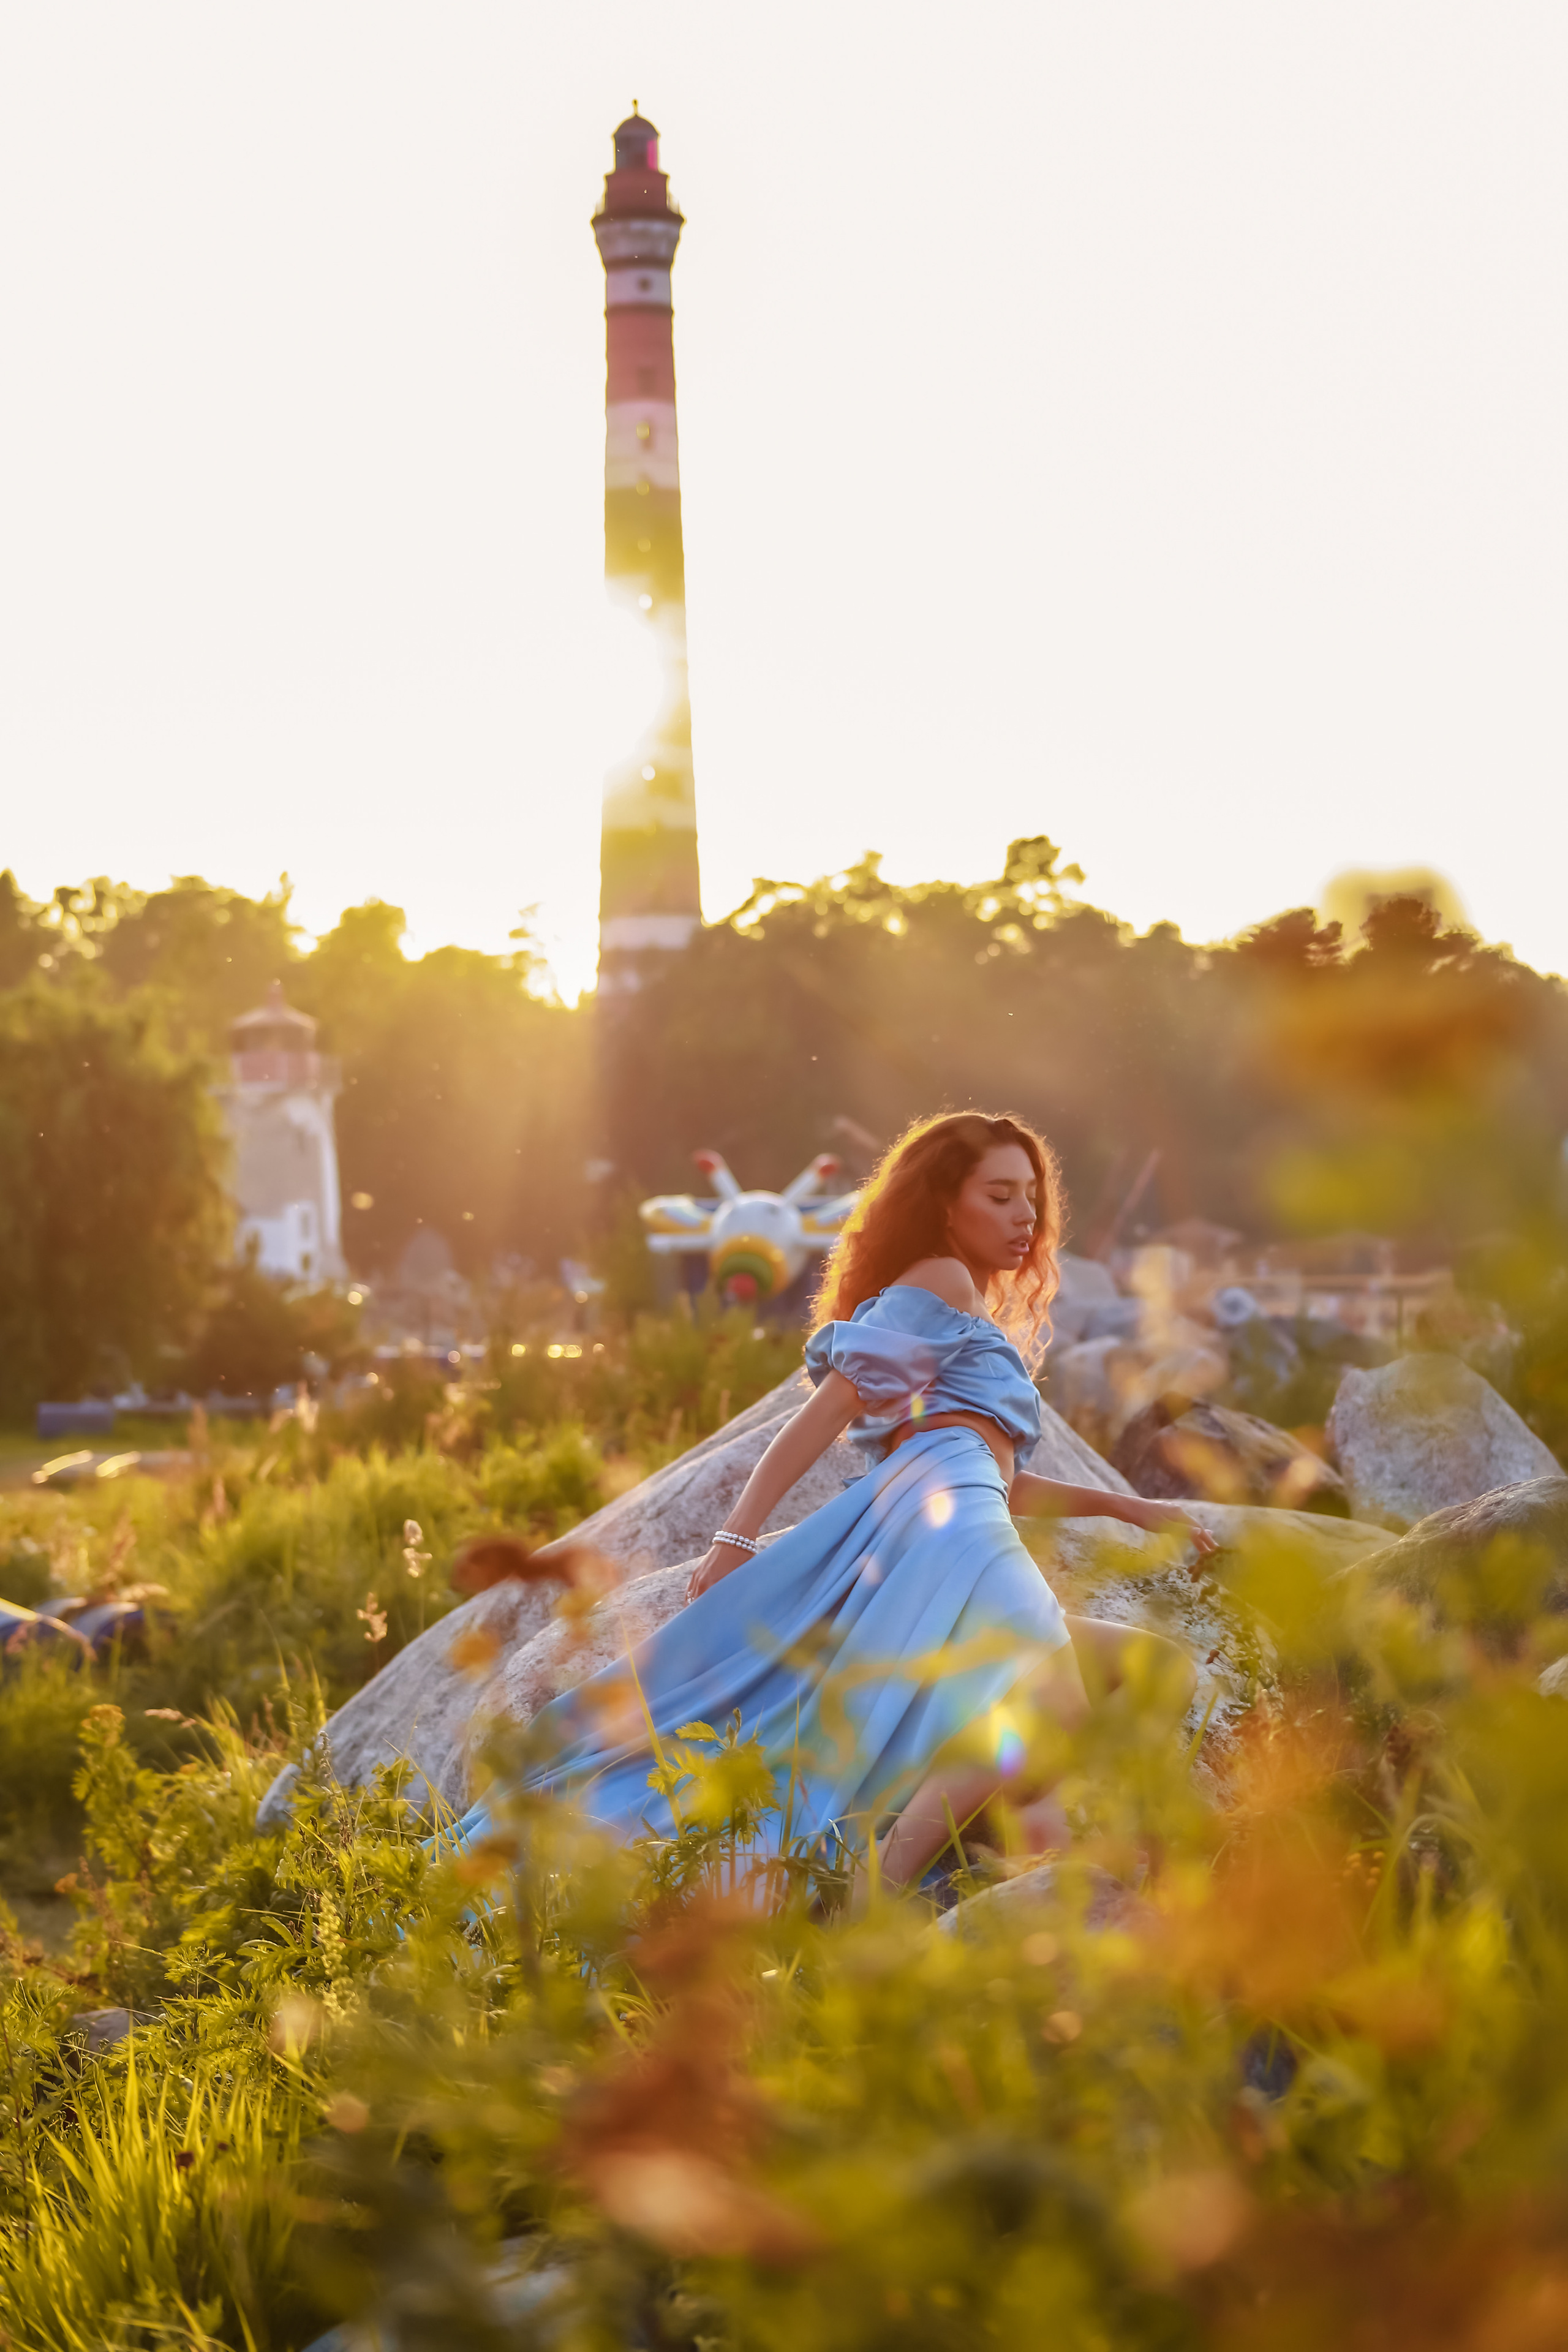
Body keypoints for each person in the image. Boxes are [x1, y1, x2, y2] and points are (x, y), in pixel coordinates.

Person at [454, 1112, 1213, 1896]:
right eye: (999, 1194)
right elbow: (827, 1412)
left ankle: (1078, 1861)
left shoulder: (957, 1306)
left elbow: (998, 1476)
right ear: (945, 1206)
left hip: (962, 1512)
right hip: (946, 1519)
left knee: (1156, 1667)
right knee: (1050, 1700)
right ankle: (879, 1890)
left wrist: (1129, 1512)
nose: (1025, 1215)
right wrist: (734, 1538)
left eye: (1031, 1194)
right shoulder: (940, 1280)